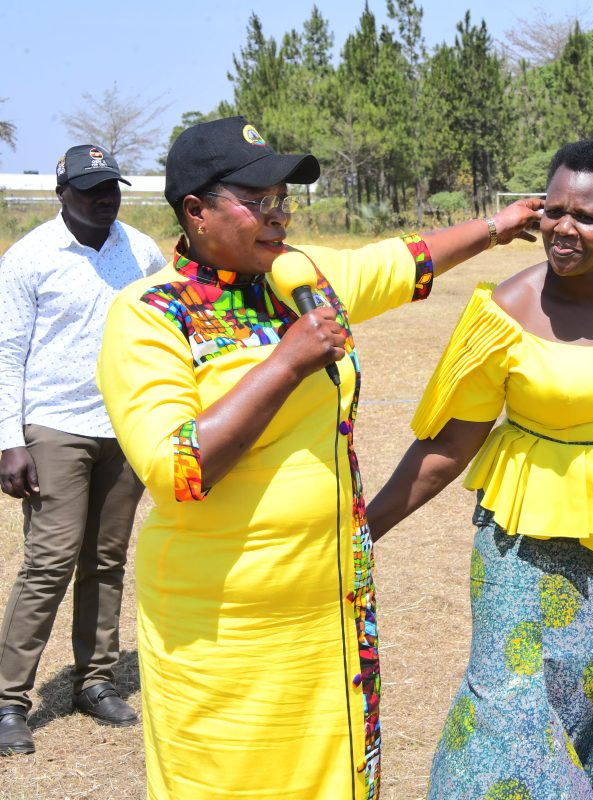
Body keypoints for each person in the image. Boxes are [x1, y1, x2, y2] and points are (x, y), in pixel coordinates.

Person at [95, 116, 542, 800]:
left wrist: (500, 225)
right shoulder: (151, 315)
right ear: (195, 210)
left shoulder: (301, 278)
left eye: (283, 198)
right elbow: (176, 470)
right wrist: (288, 361)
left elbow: (406, 260)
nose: (279, 216)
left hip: (326, 610)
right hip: (219, 624)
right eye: (258, 200)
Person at [366, 140, 593, 799]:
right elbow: (449, 444)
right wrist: (365, 528)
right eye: (554, 210)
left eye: (585, 216)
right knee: (515, 699)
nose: (564, 227)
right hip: (524, 546)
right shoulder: (503, 312)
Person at [0, 145, 164, 755]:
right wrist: (9, 442)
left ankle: (93, 681)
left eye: (112, 187)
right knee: (49, 561)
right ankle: (9, 700)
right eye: (90, 188)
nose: (105, 198)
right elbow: (6, 353)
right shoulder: (30, 257)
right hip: (53, 427)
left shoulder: (141, 250)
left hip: (123, 427)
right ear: (62, 192)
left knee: (107, 558)